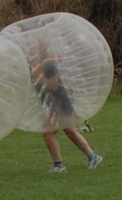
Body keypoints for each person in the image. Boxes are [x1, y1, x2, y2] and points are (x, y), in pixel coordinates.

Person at [28, 39, 102, 172]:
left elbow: (53, 85)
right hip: (57, 102)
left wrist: (39, 78)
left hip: (60, 102)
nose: (30, 45)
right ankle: (93, 157)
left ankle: (59, 165)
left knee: (48, 134)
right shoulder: (36, 63)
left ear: (40, 47)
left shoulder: (48, 64)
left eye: (33, 44)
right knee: (71, 132)